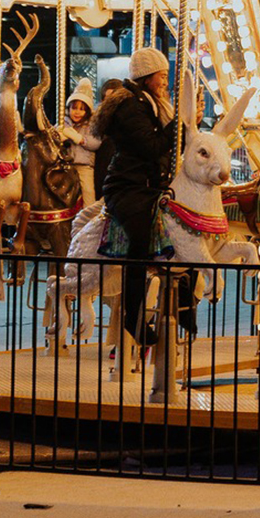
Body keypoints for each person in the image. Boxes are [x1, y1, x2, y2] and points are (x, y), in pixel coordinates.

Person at [96, 48, 178, 346]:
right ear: (145, 77)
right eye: (161, 76)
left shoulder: (151, 103)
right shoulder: (131, 106)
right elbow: (151, 146)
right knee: (140, 244)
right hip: (128, 187)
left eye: (166, 76)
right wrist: (178, 125)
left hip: (149, 185)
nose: (165, 82)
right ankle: (133, 317)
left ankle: (182, 307)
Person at [58, 77, 99, 202]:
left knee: (88, 191)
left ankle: (89, 210)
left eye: (82, 109)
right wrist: (59, 137)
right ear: (68, 108)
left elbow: (96, 143)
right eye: (74, 108)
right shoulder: (64, 123)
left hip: (83, 165)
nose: (77, 112)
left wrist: (79, 139)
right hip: (65, 165)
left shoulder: (91, 125)